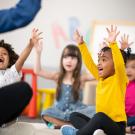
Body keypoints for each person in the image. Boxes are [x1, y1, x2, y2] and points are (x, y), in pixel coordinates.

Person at [61, 25, 128, 135]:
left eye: (104, 60)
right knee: (73, 116)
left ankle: (78, 134)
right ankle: (94, 132)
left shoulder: (119, 78)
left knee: (99, 116)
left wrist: (113, 44)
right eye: (99, 60)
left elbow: (120, 64)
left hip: (117, 128)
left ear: (115, 64)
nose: (99, 63)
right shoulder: (100, 78)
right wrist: (81, 44)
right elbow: (89, 63)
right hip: (102, 126)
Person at [34, 40, 95, 128]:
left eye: (73, 58)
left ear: (78, 62)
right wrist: (38, 53)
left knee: (95, 110)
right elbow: (38, 71)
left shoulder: (81, 78)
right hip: (59, 112)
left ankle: (60, 124)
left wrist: (100, 54)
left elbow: (97, 75)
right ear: (62, 60)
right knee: (45, 112)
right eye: (66, 57)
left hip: (76, 112)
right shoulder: (58, 76)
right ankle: (69, 125)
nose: (69, 61)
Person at [120, 34, 135, 134]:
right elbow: (117, 63)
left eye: (133, 67)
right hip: (121, 118)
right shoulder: (120, 83)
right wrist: (122, 50)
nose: (129, 70)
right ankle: (126, 129)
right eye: (126, 67)